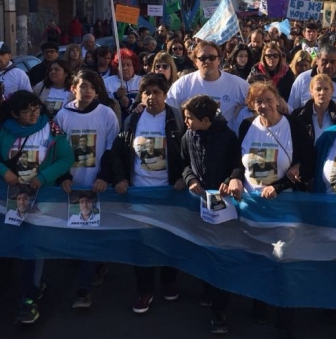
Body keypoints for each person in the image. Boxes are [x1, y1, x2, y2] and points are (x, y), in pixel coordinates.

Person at [0, 91, 73, 324]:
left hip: (42, 198)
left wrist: (43, 177)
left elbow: (66, 158)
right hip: (12, 198)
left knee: (33, 245)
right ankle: (32, 283)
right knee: (19, 243)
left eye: (37, 109)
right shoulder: (4, 131)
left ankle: (29, 300)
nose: (34, 113)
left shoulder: (51, 129)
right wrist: (5, 172)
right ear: (14, 113)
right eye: (27, 110)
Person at [236, 81, 315, 333]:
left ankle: (285, 315)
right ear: (251, 104)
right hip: (254, 207)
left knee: (284, 259)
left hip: (285, 206)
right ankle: (260, 303)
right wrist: (235, 177)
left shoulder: (292, 125)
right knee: (259, 257)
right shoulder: (247, 126)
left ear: (278, 100)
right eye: (258, 101)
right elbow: (237, 160)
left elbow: (309, 161)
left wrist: (285, 181)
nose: (264, 105)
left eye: (268, 100)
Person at [106, 73, 184, 314]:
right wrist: (119, 178)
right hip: (139, 193)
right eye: (147, 92)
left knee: (170, 239)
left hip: (170, 193)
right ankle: (145, 290)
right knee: (143, 244)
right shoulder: (133, 119)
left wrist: (184, 177)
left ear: (165, 94)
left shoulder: (177, 118)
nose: (151, 97)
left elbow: (189, 150)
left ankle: (169, 281)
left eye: (156, 92)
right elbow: (118, 151)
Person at [180, 95, 243, 335]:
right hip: (200, 206)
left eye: (189, 118)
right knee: (204, 249)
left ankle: (220, 308)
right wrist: (190, 179)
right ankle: (207, 290)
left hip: (223, 207)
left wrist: (230, 180)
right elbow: (184, 163)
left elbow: (237, 165)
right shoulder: (188, 136)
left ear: (205, 120)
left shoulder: (228, 137)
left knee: (220, 254)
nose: (186, 122)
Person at [166, 41, 249, 134]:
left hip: (225, 143)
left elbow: (254, 108)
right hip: (192, 143)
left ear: (219, 60)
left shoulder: (238, 84)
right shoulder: (182, 84)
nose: (208, 61)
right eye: (202, 58)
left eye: (212, 57)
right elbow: (168, 111)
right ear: (195, 62)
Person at [287, 44, 336, 110]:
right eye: (324, 61)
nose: (328, 66)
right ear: (317, 60)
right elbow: (292, 109)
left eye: (332, 62)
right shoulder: (302, 79)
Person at [291, 74, 336, 144]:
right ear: (311, 92)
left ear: (332, 91)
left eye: (326, 89)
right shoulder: (298, 115)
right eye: (318, 89)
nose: (322, 93)